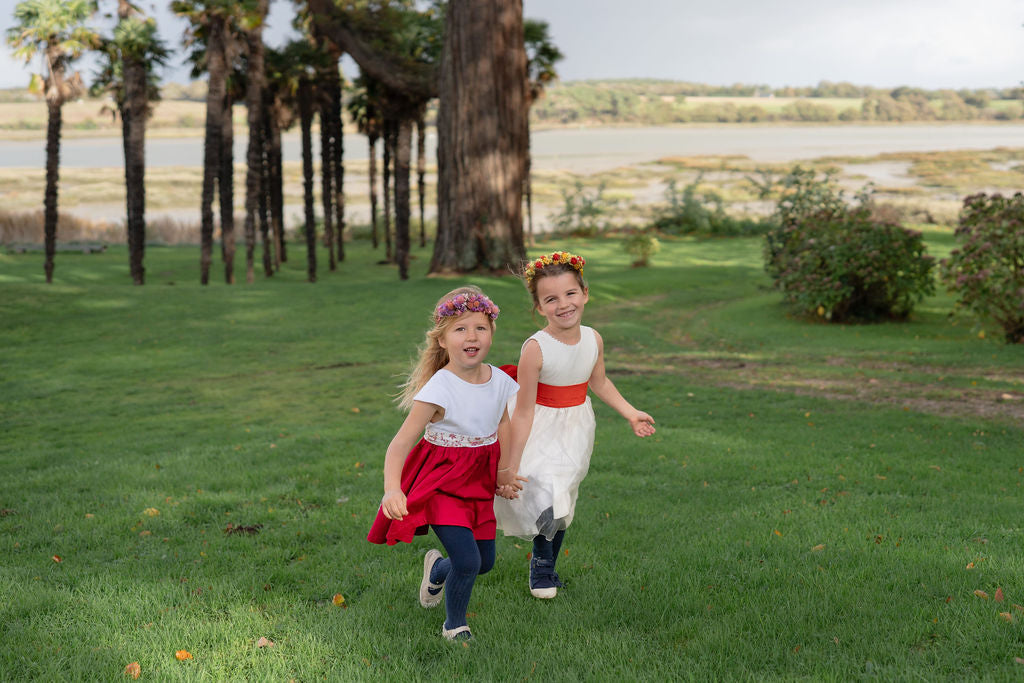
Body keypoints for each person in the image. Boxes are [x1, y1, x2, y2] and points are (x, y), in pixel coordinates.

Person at [494, 251, 656, 599]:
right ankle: (541, 567)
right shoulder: (536, 348)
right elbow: (522, 412)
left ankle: (547, 567)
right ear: (539, 307)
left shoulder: (593, 339)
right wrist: (509, 464)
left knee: (563, 497)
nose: (563, 304)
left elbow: (599, 382)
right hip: (538, 426)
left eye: (570, 293)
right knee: (546, 493)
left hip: (575, 426)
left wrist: (630, 412)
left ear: (585, 293)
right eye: (551, 299)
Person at [367, 286, 520, 642]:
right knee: (468, 562)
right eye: (460, 329)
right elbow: (400, 443)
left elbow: (503, 423)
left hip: (479, 480)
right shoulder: (439, 389)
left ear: (491, 333)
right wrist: (392, 489)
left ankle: (437, 569)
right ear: (442, 339)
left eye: (480, 328)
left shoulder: (500, 381)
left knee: (484, 562)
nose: (472, 336)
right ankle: (455, 625)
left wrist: (504, 472)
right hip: (443, 482)